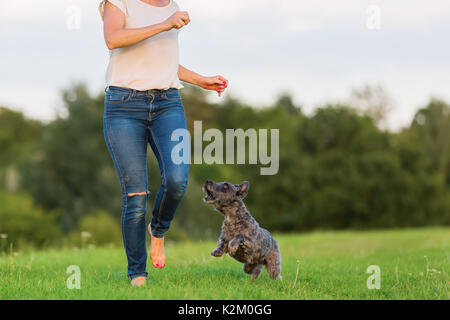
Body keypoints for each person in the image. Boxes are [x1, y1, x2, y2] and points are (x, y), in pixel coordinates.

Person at [99, 0, 228, 286]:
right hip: (123, 104)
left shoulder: (173, 6)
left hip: (167, 103)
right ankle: (137, 274)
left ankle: (158, 231)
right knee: (136, 195)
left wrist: (200, 79)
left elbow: (162, 61)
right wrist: (165, 24)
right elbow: (113, 38)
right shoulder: (119, 2)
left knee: (177, 179)